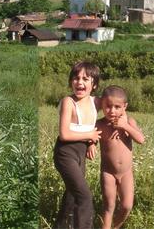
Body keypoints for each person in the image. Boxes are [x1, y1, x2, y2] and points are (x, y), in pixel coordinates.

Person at [53, 62, 103, 229]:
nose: (79, 82)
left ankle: (60, 226)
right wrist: (90, 136)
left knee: (72, 194)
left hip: (80, 154)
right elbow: (64, 134)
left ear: (94, 84)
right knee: (84, 196)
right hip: (65, 153)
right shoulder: (69, 102)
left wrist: (92, 142)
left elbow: (116, 107)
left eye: (85, 79)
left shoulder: (96, 102)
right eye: (75, 78)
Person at [95, 85, 145, 229]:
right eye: (108, 106)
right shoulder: (100, 124)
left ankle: (115, 227)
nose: (112, 110)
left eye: (117, 107)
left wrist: (125, 126)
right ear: (102, 105)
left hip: (126, 173)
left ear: (125, 107)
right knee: (109, 207)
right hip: (108, 172)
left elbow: (141, 139)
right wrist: (91, 144)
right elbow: (91, 138)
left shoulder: (129, 122)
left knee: (127, 206)